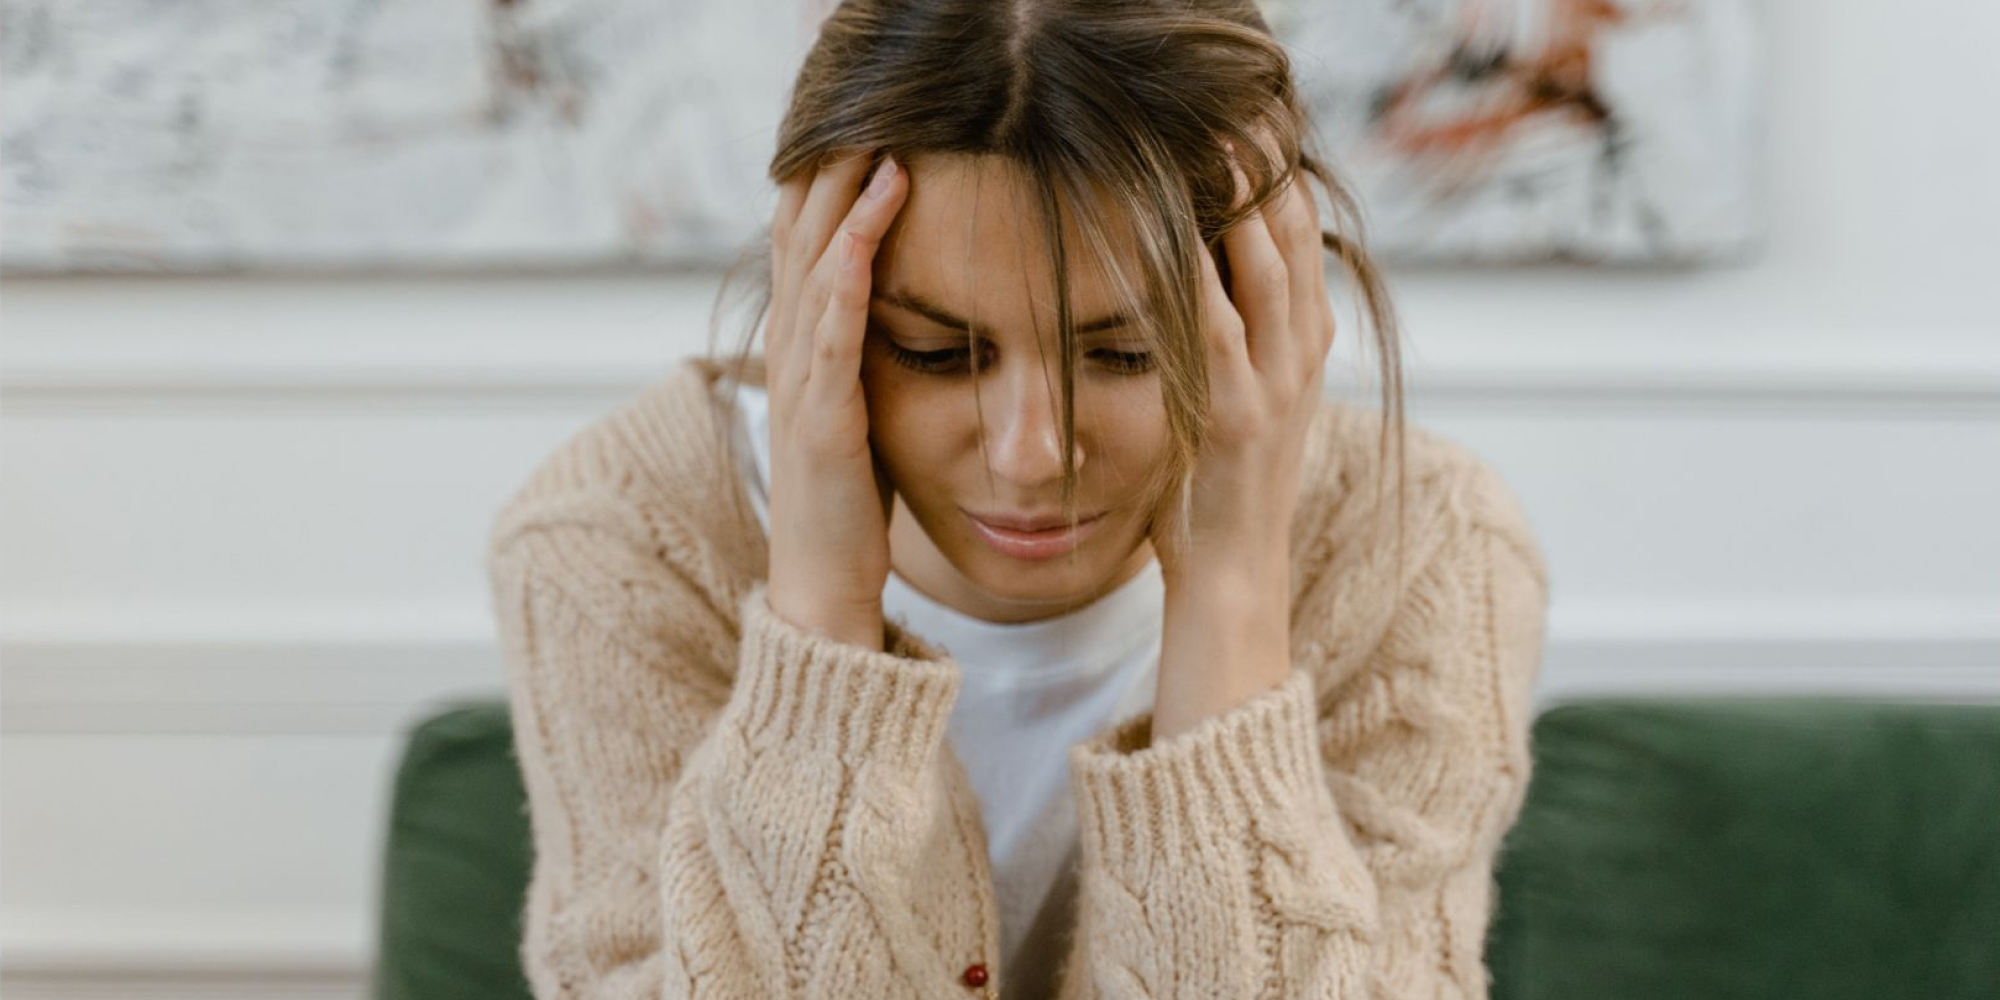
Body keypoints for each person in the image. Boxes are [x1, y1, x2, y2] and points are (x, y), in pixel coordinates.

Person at [485, 1, 1551, 998]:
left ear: (1258, 293)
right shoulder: (618, 542)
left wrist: (1230, 590)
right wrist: (817, 616)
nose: (1030, 454)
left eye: (1125, 351)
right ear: (819, 297)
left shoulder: (1422, 545)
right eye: (935, 351)